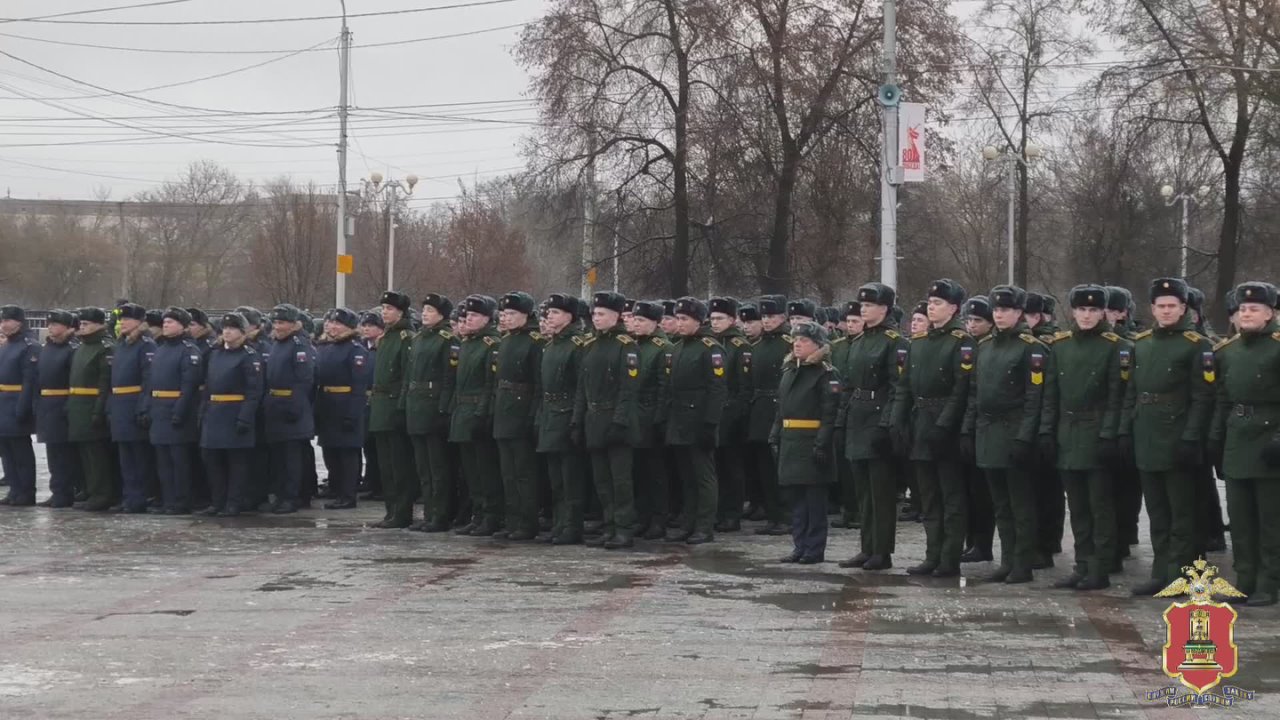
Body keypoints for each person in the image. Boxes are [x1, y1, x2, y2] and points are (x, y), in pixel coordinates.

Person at [1120, 278, 1215, 597]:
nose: (1166, 311)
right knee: (1158, 512)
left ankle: (1181, 574)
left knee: (1181, 514)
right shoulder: (1142, 343)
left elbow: (1202, 396)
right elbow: (1132, 390)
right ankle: (1160, 572)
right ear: (1152, 308)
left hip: (1177, 435)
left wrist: (1191, 437)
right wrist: (1126, 429)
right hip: (1147, 434)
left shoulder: (1195, 344)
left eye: (1172, 306)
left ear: (1183, 308)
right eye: (1161, 306)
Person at [961, 285, 1052, 584]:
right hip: (989, 433)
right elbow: (975, 392)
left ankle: (1023, 562)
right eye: (997, 310)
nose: (1000, 315)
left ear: (1019, 313)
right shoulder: (985, 346)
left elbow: (1035, 397)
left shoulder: (1031, 348)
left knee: (1020, 503)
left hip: (1014, 431)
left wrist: (1025, 437)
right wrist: (968, 430)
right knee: (1000, 503)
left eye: (1007, 310)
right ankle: (1007, 560)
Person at [1045, 285, 1125, 590]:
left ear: (1103, 312)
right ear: (1073, 311)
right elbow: (1051, 394)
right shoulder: (1061, 346)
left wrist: (1108, 435)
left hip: (1096, 431)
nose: (1087, 315)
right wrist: (1048, 432)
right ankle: (1082, 564)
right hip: (1068, 434)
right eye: (1081, 309)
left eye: (1093, 310)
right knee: (1077, 507)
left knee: (1100, 506)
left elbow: (1117, 396)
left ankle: (1100, 567)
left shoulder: (1114, 346)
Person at [892, 280, 973, 578]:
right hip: (920, 424)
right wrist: (897, 421)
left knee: (951, 496)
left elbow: (961, 388)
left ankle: (949, 557)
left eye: (938, 303)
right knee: (928, 496)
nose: (931, 307)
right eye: (930, 302)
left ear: (953, 308)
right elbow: (904, 387)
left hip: (945, 428)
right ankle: (932, 554)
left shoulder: (961, 342)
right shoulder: (918, 343)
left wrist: (944, 425)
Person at [1210, 281, 1280, 606]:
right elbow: (1222, 399)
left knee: (1269, 519)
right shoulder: (1228, 351)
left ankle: (1268, 582)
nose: (1247, 314)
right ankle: (1245, 578)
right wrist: (1215, 438)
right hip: (1237, 438)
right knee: (1239, 518)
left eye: (1254, 309)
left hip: (1269, 439)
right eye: (1243, 309)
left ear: (1270, 313)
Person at [836, 284, 907, 571]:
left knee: (881, 492)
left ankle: (882, 550)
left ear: (884, 308)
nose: (863, 309)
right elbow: (848, 384)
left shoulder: (894, 342)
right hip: (858, 417)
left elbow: (898, 387)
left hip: (878, 418)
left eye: (869, 305)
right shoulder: (859, 341)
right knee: (863, 491)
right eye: (862, 305)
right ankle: (867, 546)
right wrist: (841, 420)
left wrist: (887, 424)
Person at [574, 292, 639, 549]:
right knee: (602, 481)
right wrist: (577, 421)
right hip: (594, 419)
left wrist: (620, 421)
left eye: (601, 314)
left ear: (616, 316)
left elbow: (628, 388)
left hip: (616, 421)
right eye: (594, 314)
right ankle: (609, 526)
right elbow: (583, 387)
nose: (596, 318)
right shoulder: (590, 345)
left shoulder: (626, 345)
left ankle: (624, 529)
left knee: (620, 481)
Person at [772, 321, 840, 564]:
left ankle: (814, 548)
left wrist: (822, 443)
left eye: (804, 340)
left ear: (818, 345)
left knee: (814, 501)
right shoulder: (790, 370)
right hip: (791, 440)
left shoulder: (825, 373)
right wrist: (775, 434)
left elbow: (830, 413)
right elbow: (781, 408)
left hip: (811, 440)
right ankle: (799, 545)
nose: (797, 344)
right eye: (795, 340)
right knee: (797, 500)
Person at [663, 296, 728, 544]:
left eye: (684, 319)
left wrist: (710, 424)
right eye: (677, 318)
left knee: (703, 477)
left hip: (698, 421)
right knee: (686, 476)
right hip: (679, 420)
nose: (679, 323)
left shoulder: (710, 349)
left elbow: (717, 390)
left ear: (698, 321)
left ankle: (704, 526)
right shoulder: (678, 347)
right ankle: (688, 522)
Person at [402, 294, 457, 530]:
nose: (424, 313)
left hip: (433, 407)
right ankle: (428, 513)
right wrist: (404, 403)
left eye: (430, 310)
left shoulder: (447, 340)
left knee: (438, 467)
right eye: (423, 309)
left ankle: (440, 515)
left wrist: (443, 407)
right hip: (416, 406)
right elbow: (409, 374)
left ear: (442, 315)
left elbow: (449, 377)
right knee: (423, 467)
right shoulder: (419, 338)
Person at [492, 291, 544, 541]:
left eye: (512, 313)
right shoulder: (506, 340)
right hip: (504, 409)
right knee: (507, 473)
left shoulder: (535, 341)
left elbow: (538, 384)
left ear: (526, 314)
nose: (507, 317)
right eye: (504, 313)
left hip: (522, 410)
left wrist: (533, 416)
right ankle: (512, 520)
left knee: (524, 473)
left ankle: (527, 522)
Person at [536, 293, 588, 544]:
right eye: (549, 312)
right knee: (556, 478)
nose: (549, 316)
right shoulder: (551, 345)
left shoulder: (577, 345)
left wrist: (576, 420)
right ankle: (559, 523)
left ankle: (572, 526)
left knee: (571, 478)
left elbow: (581, 388)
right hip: (550, 415)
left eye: (555, 312)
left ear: (570, 317)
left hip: (566, 415)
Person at [450, 295, 503, 536]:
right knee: (471, 472)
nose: (468, 319)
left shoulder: (491, 344)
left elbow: (490, 384)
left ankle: (491, 516)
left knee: (485, 471)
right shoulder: (467, 343)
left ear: (487, 319)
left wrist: (482, 414)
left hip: (478, 413)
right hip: (463, 412)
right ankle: (478, 514)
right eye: (467, 315)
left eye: (474, 315)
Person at [200, 313, 263, 516]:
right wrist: (203, 411)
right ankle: (217, 501)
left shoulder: (249, 355)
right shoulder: (215, 354)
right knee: (213, 461)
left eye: (232, 329)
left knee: (236, 463)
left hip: (234, 413)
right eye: (225, 328)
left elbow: (254, 391)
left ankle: (233, 502)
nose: (227, 332)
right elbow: (208, 385)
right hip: (214, 413)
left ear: (242, 332)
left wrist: (245, 416)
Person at [144, 307, 203, 515]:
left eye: (171, 322)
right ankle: (168, 499)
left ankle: (182, 500)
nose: (166, 325)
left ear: (182, 326)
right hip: (159, 410)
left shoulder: (188, 350)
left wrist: (179, 411)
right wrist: (147, 407)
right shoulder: (160, 349)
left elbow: (189, 385)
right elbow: (151, 382)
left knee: (179, 461)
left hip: (177, 411)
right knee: (163, 462)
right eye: (165, 322)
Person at [315, 308, 371, 511]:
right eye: (331, 322)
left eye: (338, 324)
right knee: (330, 452)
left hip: (345, 405)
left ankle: (348, 495)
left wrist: (352, 413)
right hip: (327, 405)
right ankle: (336, 489)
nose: (332, 327)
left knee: (347, 454)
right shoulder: (325, 347)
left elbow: (359, 385)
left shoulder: (355, 350)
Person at [746, 296, 792, 536]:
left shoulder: (789, 344)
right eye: (764, 316)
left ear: (782, 317)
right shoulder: (756, 346)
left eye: (771, 316)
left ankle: (785, 516)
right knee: (764, 467)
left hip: (779, 408)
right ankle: (772, 514)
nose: (766, 320)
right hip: (760, 409)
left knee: (779, 467)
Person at [369, 292, 416, 528]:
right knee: (386, 466)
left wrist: (402, 407)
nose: (384, 312)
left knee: (400, 465)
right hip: (381, 406)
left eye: (389, 308)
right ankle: (391, 510)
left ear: (401, 312)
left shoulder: (406, 338)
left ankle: (402, 512)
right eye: (383, 308)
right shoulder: (386, 337)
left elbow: (407, 375)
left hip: (394, 404)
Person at [709, 297, 751, 532]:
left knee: (732, 467)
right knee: (717, 467)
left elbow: (744, 387)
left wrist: (734, 415)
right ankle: (719, 511)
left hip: (731, 414)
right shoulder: (711, 343)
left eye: (720, 318)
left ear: (732, 320)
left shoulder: (739, 346)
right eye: (712, 318)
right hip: (715, 413)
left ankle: (732, 513)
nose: (715, 322)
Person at [109, 303, 155, 514]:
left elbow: (149, 379)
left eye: (127, 319)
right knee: (125, 457)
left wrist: (143, 407)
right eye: (121, 319)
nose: (122, 322)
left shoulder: (145, 345)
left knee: (139, 456)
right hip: (120, 405)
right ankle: (129, 496)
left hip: (134, 403)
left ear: (139, 322)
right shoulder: (122, 344)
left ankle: (140, 497)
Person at [959, 296, 995, 563]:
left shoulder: (987, 348)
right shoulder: (966, 346)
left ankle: (982, 544)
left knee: (982, 493)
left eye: (978, 320)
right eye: (969, 320)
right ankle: (971, 542)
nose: (972, 325)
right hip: (966, 425)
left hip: (985, 427)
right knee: (968, 491)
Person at [68, 307, 114, 512]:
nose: (82, 327)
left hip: (92, 405)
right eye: (81, 324)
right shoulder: (82, 347)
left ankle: (102, 493)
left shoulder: (104, 348)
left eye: (86, 324)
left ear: (99, 324)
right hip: (78, 405)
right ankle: (90, 489)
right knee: (84, 453)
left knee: (96, 455)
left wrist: (98, 410)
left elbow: (105, 382)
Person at [35, 309, 80, 508]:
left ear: (68, 327)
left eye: (55, 324)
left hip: (63, 403)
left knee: (64, 454)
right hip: (47, 405)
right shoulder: (48, 348)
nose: (50, 327)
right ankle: (57, 491)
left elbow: (74, 379)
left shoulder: (72, 349)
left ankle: (66, 493)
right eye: (49, 324)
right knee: (53, 452)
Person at [0, 305, 37, 506]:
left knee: (20, 451)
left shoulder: (28, 346)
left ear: (19, 323)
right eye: (2, 321)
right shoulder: (7, 346)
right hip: (3, 403)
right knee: (7, 451)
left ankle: (26, 491)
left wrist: (23, 407)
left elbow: (29, 381)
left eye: (7, 320)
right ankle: (14, 489)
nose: (3, 325)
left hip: (16, 402)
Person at [357, 311, 384, 501]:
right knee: (368, 445)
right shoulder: (362, 348)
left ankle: (380, 486)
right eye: (364, 325)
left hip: (378, 400)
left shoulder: (382, 348)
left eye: (371, 325)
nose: (366, 329)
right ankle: (372, 482)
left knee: (378, 447)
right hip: (364, 400)